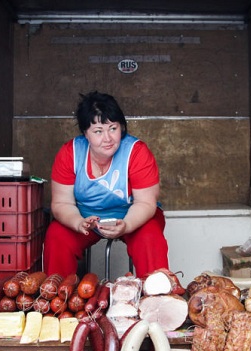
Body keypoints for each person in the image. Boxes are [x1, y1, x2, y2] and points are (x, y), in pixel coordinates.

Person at [43, 91, 169, 278]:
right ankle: (57, 298)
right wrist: (78, 223)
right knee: (57, 235)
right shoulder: (70, 153)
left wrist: (126, 225)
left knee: (150, 236)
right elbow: (62, 204)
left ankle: (157, 297)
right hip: (85, 218)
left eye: (113, 128)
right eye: (98, 131)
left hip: (134, 216)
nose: (108, 138)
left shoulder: (136, 152)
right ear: (85, 133)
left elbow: (145, 203)